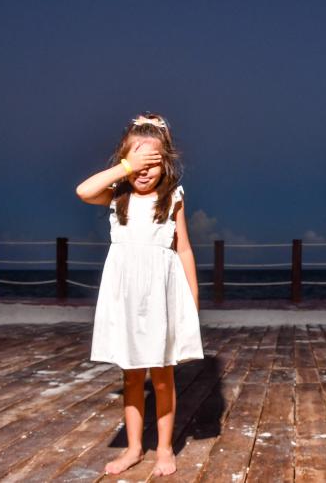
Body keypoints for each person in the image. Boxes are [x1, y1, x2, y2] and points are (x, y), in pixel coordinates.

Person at [75, 113, 204, 476]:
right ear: (125, 160)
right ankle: (133, 448)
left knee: (162, 376)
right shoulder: (117, 195)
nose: (145, 171)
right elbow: (83, 191)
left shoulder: (173, 198)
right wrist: (126, 167)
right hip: (126, 299)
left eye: (153, 163)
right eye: (138, 162)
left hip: (160, 298)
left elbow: (184, 250)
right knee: (132, 375)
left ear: (166, 164)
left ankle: (164, 448)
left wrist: (193, 301)